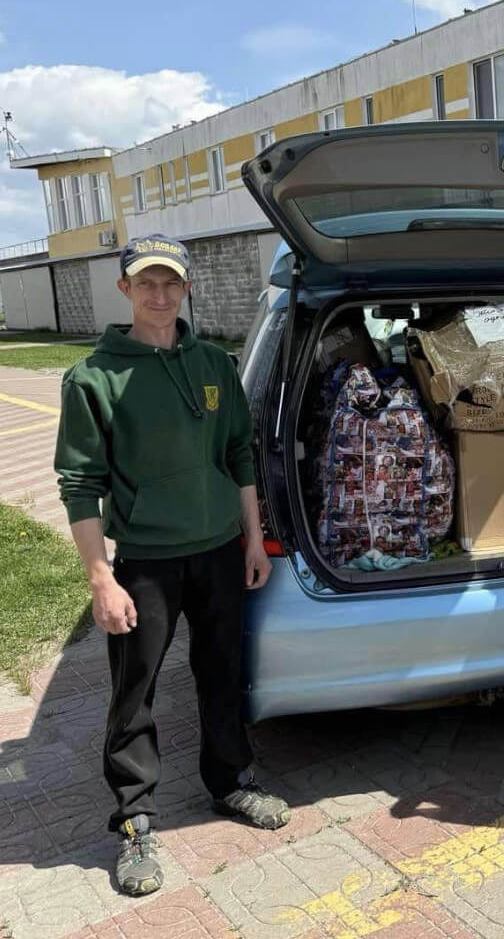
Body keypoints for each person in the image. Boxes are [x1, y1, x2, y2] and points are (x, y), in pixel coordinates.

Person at [54, 235, 291, 897]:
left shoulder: (215, 363)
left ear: (187, 288)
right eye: (146, 283)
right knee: (137, 691)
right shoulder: (95, 378)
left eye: (171, 283)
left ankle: (230, 782)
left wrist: (251, 540)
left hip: (219, 549)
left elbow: (240, 454)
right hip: (147, 561)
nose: (160, 295)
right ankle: (134, 822)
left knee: (222, 673)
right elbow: (79, 483)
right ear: (125, 289)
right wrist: (101, 577)